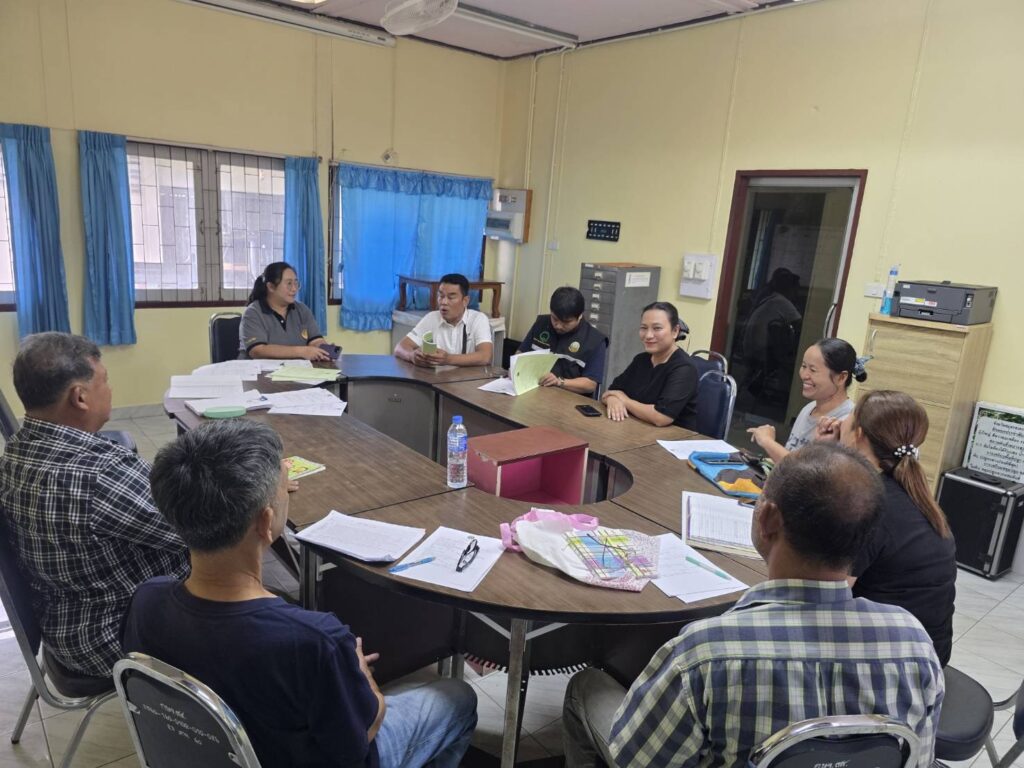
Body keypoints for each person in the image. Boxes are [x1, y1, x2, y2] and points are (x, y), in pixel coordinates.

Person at [562, 442, 944, 768]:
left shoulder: (703, 654)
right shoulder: (914, 644)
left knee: (586, 686)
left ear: (768, 519)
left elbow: (635, 759)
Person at [123, 419, 477, 768]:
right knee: (457, 697)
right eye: (284, 488)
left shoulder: (147, 601)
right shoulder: (314, 639)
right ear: (265, 522)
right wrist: (363, 678)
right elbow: (359, 738)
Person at [0, 333, 189, 679]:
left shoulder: (15, 451)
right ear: (80, 397)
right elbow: (201, 528)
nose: (110, 390)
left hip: (67, 623)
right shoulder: (100, 475)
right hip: (116, 636)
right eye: (105, 380)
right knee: (262, 616)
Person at [827, 390, 957, 665]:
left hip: (893, 663)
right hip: (928, 653)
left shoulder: (869, 504)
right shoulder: (914, 496)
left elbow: (827, 596)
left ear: (858, 434)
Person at [747, 338, 866, 461]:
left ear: (841, 378)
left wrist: (767, 442)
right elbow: (790, 458)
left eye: (813, 370)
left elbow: (806, 469)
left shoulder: (846, 422)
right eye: (804, 366)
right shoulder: (809, 408)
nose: (804, 375)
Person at [601, 301, 697, 428]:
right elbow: (611, 391)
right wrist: (613, 399)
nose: (648, 335)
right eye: (644, 328)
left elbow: (661, 417)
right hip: (636, 427)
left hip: (672, 436)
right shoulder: (641, 360)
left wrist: (624, 400)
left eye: (657, 328)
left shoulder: (684, 369)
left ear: (675, 331)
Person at [517, 286, 608, 396]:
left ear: (579, 316)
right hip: (533, 390)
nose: (558, 326)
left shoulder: (595, 341)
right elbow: (520, 353)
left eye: (566, 322)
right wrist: (514, 368)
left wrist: (559, 382)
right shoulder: (541, 323)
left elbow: (590, 384)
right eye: (555, 319)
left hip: (569, 398)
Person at [394, 273, 494, 368]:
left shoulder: (478, 319)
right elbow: (400, 347)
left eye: (451, 297)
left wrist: (448, 359)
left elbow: (485, 357)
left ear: (465, 301)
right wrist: (412, 356)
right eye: (441, 296)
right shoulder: (431, 318)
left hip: (468, 378)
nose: (444, 302)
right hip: (435, 377)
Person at [240, 261, 332, 360]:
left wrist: (323, 348)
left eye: (296, 283)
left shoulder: (302, 310)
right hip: (259, 369)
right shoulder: (253, 313)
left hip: (297, 368)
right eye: (289, 284)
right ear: (271, 287)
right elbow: (257, 350)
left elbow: (315, 340)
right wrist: (302, 351)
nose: (294, 289)